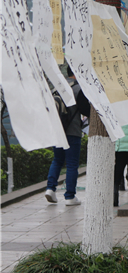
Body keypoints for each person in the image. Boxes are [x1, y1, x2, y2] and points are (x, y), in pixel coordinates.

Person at [45, 66, 90, 206]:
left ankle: (50, 189)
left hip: (58, 131)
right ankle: (70, 196)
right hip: (72, 131)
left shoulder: (57, 87)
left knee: (57, 160)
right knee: (71, 164)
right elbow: (86, 110)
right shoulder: (78, 89)